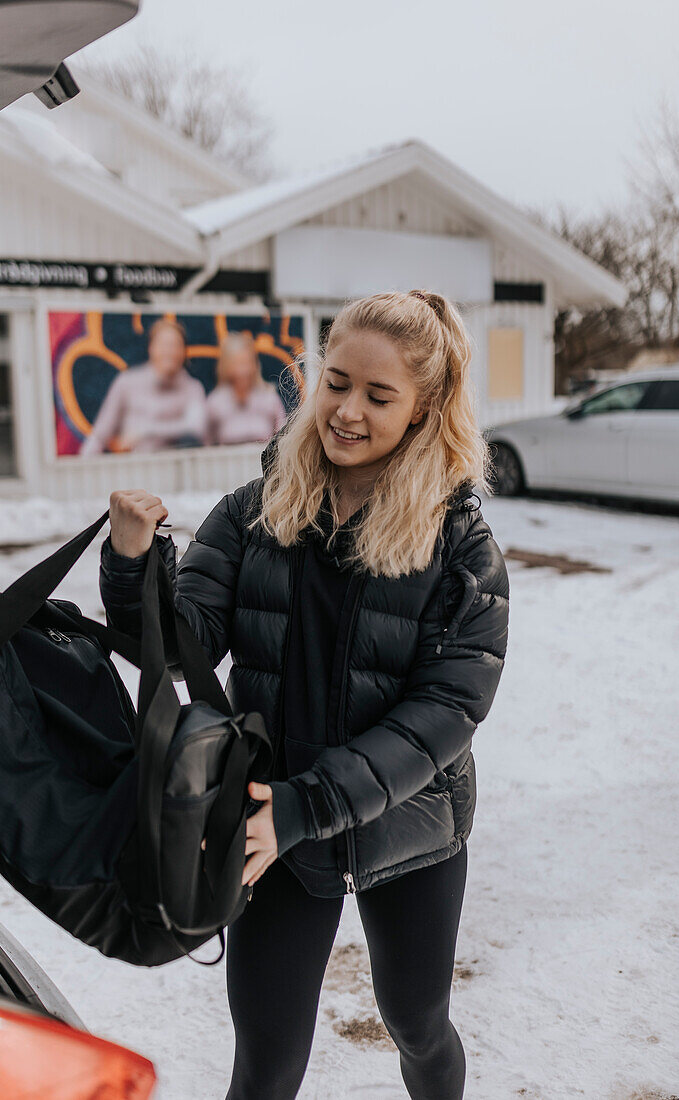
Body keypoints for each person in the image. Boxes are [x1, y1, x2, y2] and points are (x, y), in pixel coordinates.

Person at [99, 289, 510, 1100]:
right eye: (337, 383)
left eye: (378, 395)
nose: (347, 411)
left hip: (405, 827)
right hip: (270, 822)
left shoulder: (459, 544)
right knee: (267, 1055)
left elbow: (444, 715)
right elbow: (182, 649)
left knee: (417, 1025)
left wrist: (307, 806)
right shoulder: (257, 511)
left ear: (426, 409)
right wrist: (132, 565)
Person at [80, 318, 207, 455]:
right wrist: (82, 468)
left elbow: (196, 428)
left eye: (175, 345)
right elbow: (100, 435)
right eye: (164, 345)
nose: (170, 352)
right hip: (134, 468)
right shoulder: (127, 382)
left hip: (177, 470)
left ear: (184, 351)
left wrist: (145, 430)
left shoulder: (193, 388)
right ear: (151, 348)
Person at [204, 331, 287, 446]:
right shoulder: (215, 402)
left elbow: (283, 436)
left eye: (247, 362)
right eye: (237, 363)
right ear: (226, 366)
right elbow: (206, 443)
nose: (243, 370)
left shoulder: (269, 398)